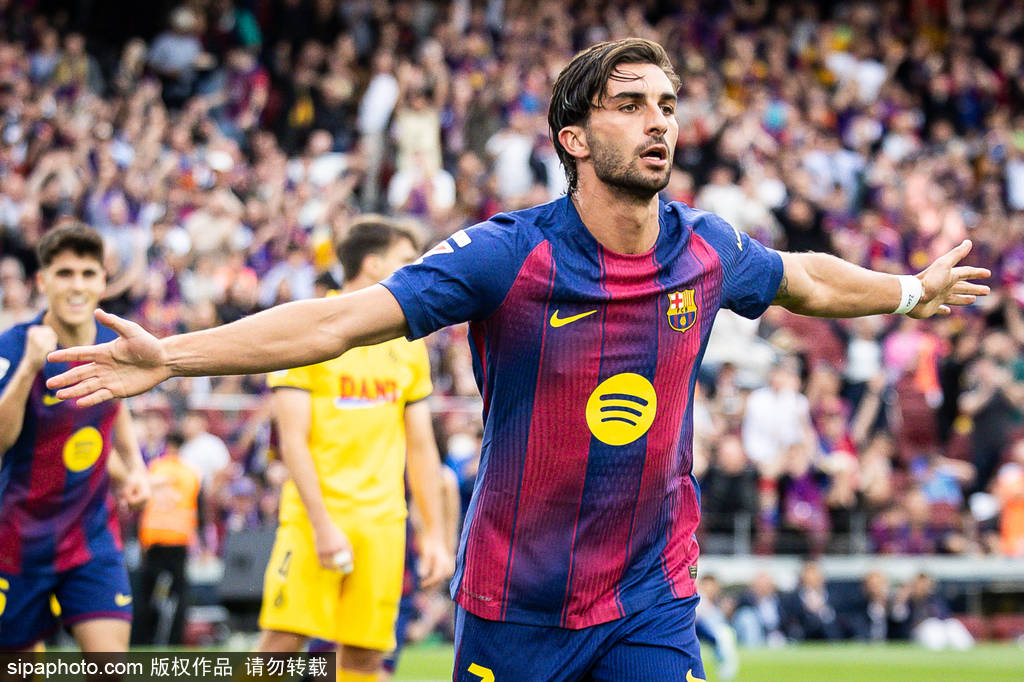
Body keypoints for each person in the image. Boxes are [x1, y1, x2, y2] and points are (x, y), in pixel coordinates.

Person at [47, 39, 990, 681]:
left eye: (667, 106)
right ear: (573, 139)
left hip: (650, 594)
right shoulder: (510, 255)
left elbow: (806, 279)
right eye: (630, 105)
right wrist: (172, 356)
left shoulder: (706, 248)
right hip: (515, 602)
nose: (659, 123)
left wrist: (910, 290)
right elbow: (338, 321)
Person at [255, 216, 454, 682]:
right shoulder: (306, 325)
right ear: (373, 264)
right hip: (314, 520)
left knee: (365, 658)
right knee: (280, 647)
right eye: (406, 260)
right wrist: (323, 526)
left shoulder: (408, 341)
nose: (416, 270)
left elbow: (421, 447)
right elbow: (292, 443)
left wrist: (434, 535)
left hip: (383, 525)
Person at [0, 223, 149, 652]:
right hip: (16, 543)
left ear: (103, 280)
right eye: (64, 273)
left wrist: (135, 470)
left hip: (90, 538)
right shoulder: (13, 347)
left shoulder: (113, 346)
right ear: (42, 281)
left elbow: (116, 406)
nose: (77, 285)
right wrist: (30, 367)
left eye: (88, 273)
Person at [133, 430, 201, 646]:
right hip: (179, 538)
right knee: (179, 594)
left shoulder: (154, 468)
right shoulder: (191, 473)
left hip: (154, 538)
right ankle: (175, 640)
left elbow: (140, 504)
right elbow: (199, 507)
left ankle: (143, 639)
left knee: (147, 593)